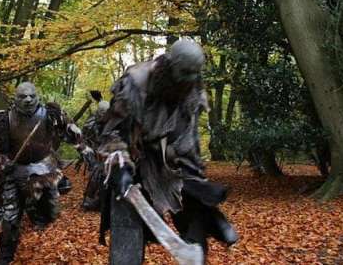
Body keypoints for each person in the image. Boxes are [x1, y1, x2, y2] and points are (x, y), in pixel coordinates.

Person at [97, 39, 238, 264]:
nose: (188, 80)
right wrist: (120, 165)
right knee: (127, 229)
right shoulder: (135, 84)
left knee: (194, 205)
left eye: (193, 74)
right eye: (184, 73)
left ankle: (206, 227)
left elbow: (188, 142)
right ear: (169, 65)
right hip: (132, 160)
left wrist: (200, 189)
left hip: (170, 163)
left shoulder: (192, 90)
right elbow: (112, 132)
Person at [0, 82, 84, 265]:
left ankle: (36, 212)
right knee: (9, 218)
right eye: (23, 96)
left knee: (50, 212)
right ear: (15, 99)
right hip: (14, 172)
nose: (28, 100)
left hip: (45, 171)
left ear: (37, 97)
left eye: (32, 96)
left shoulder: (52, 115)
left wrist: (86, 152)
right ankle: (6, 255)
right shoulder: (2, 119)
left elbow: (75, 134)